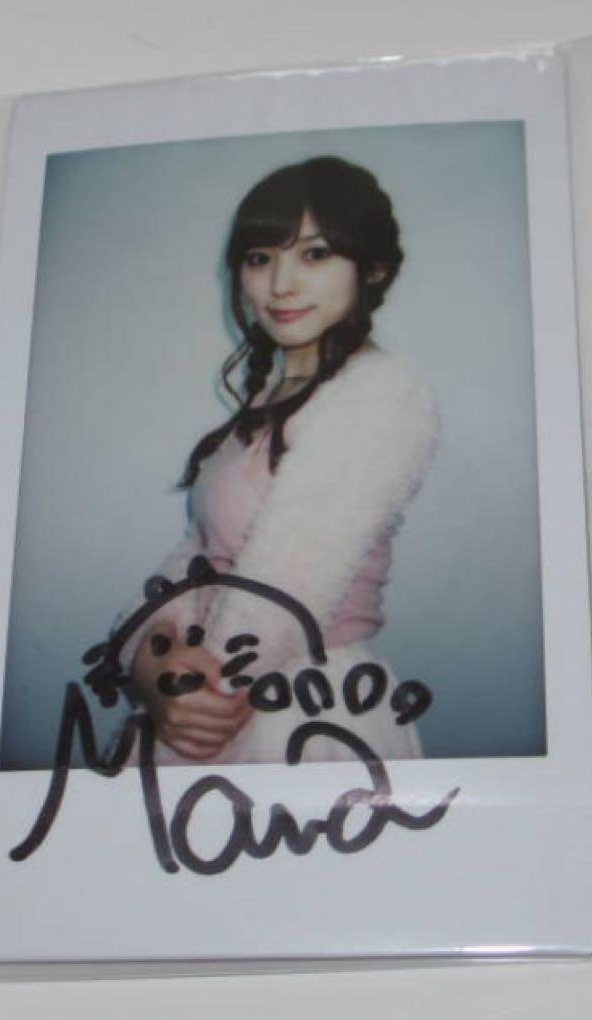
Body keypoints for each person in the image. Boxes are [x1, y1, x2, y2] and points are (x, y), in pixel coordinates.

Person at [112, 155, 439, 766]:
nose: (281, 284)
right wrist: (152, 656)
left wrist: (200, 692)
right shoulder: (269, 400)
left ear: (374, 268)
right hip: (220, 690)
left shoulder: (382, 394)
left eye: (314, 254)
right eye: (261, 258)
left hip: (299, 708)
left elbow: (287, 584)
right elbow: (198, 555)